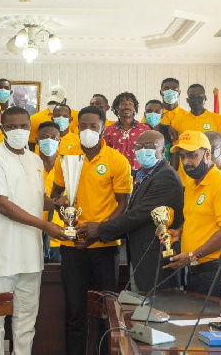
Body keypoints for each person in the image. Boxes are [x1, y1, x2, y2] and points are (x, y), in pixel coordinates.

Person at [0, 107, 69, 354]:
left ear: (30, 129)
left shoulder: (35, 159)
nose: (18, 131)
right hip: (2, 252)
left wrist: (56, 204)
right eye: (11, 126)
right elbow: (2, 205)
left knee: (27, 320)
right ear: (3, 129)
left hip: (31, 253)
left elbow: (36, 199)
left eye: (23, 126)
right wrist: (45, 225)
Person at [51, 105, 132, 355]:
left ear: (103, 128)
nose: (87, 130)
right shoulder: (66, 157)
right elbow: (56, 196)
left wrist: (100, 230)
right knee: (75, 312)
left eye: (93, 126)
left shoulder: (117, 160)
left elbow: (124, 205)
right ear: (76, 127)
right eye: (83, 126)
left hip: (105, 248)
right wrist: (67, 220)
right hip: (72, 247)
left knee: (106, 313)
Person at [77, 130, 184, 291]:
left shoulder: (166, 176)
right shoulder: (143, 177)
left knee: (157, 310)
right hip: (141, 257)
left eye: (149, 146)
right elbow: (134, 219)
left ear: (162, 151)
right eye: (139, 147)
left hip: (156, 260)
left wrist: (99, 229)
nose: (143, 150)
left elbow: (138, 215)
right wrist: (97, 237)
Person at [164, 131, 221, 296]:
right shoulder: (192, 184)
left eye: (192, 155)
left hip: (217, 273)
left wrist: (192, 255)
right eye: (182, 156)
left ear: (207, 154)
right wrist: (180, 232)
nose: (186, 162)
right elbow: (197, 217)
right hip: (195, 271)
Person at [36, 121, 64, 262]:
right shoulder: (27, 164)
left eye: (54, 138)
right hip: (32, 237)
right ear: (36, 140)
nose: (49, 141)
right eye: (44, 137)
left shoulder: (68, 166)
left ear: (59, 141)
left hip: (60, 238)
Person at [103, 92, 149, 171]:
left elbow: (149, 154)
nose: (126, 106)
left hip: (141, 175)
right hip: (117, 173)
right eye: (123, 104)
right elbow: (105, 155)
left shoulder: (145, 130)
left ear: (134, 107)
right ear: (117, 107)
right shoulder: (108, 131)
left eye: (130, 103)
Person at [29, 85, 79, 151]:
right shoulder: (35, 119)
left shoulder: (77, 116)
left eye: (56, 102)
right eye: (51, 102)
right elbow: (32, 144)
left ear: (64, 100)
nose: (53, 105)